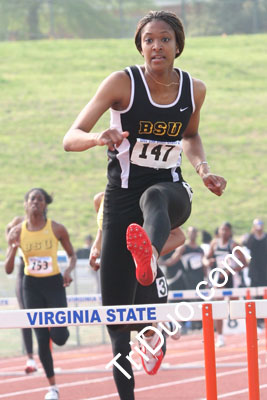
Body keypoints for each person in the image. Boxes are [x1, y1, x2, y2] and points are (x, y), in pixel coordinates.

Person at [63, 10, 226, 400]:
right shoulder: (122, 83)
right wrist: (98, 138)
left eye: (165, 39)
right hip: (120, 202)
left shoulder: (193, 89)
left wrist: (203, 170)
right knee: (118, 325)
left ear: (177, 45)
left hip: (171, 192)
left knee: (153, 196)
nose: (157, 46)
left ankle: (150, 256)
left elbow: (191, 136)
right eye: (149, 39)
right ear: (140, 46)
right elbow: (70, 137)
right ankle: (144, 352)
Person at [4, 188, 76, 400]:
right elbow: (8, 269)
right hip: (31, 286)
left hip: (53, 284)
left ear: (45, 205)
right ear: (26, 204)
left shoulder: (56, 229)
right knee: (41, 339)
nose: (36, 202)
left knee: (60, 338)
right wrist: (14, 248)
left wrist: (69, 271)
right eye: (32, 199)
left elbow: (72, 255)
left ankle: (58, 333)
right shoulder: (17, 231)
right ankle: (53, 387)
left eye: (40, 199)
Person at [204, 222, 247, 347]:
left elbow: (244, 262)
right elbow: (206, 258)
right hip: (219, 278)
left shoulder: (233, 245)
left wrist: (229, 271)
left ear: (230, 231)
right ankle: (220, 337)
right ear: (219, 231)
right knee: (218, 306)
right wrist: (207, 262)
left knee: (235, 307)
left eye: (226, 230)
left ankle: (244, 331)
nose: (224, 232)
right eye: (222, 230)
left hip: (232, 278)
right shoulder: (214, 243)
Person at [5, 215, 37, 374]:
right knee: (25, 316)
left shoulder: (44, 223)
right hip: (24, 272)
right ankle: (30, 358)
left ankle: (46, 353)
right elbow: (8, 229)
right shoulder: (19, 222)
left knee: (43, 315)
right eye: (31, 200)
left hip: (44, 276)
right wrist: (11, 242)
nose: (35, 204)